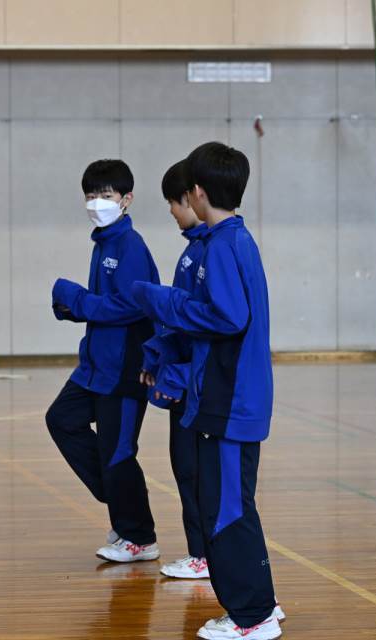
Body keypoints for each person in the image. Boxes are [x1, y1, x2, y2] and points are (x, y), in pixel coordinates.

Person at [132, 143, 282, 640]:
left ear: (197, 194)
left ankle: (251, 618)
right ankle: (261, 603)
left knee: (226, 509)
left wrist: (165, 300)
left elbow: (228, 317)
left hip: (230, 398)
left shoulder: (221, 245)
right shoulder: (234, 240)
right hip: (232, 397)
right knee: (235, 503)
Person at [45, 159, 161, 563]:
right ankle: (120, 502)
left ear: (126, 200)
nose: (97, 203)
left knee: (118, 453)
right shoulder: (104, 243)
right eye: (91, 195)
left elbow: (130, 306)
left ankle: (140, 537)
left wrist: (74, 299)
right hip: (95, 367)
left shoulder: (130, 247)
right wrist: (75, 307)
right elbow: (105, 308)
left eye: (106, 196)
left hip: (125, 371)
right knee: (61, 419)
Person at [140, 160, 210, 580]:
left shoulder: (212, 251)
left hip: (194, 385)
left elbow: (205, 326)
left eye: (173, 201)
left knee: (194, 469)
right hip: (180, 378)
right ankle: (198, 551)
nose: (170, 211)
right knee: (182, 466)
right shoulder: (191, 251)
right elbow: (177, 323)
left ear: (194, 197)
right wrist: (158, 357)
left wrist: (177, 374)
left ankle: (204, 554)